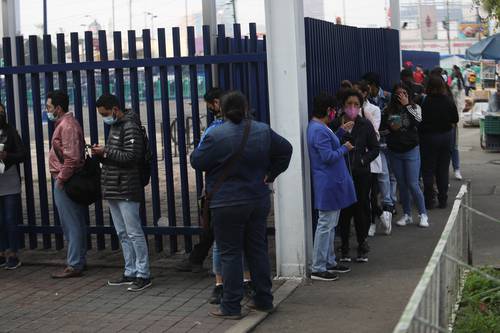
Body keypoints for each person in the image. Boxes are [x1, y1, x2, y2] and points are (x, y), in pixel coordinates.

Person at [191, 91, 292, 319]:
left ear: (222, 110)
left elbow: (197, 161)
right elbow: (286, 150)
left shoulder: (216, 135)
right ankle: (264, 300)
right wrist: (271, 174)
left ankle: (231, 306)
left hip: (226, 202)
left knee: (230, 253)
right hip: (257, 199)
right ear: (246, 108)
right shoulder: (263, 130)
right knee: (257, 251)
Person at [91, 94, 151, 292]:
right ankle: (130, 270)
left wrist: (106, 152)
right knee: (123, 233)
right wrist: (102, 154)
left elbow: (132, 157)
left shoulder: (130, 125)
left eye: (105, 113)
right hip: (113, 186)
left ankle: (143, 273)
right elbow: (117, 155)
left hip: (127, 187)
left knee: (134, 232)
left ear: (115, 109)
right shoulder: (116, 125)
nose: (104, 117)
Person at [176, 88, 225, 274]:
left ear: (216, 103)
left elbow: (198, 157)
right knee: (212, 226)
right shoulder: (247, 125)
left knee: (214, 226)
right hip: (228, 185)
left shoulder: (215, 128)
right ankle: (197, 259)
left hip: (217, 184)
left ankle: (218, 274)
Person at [307, 93, 355, 281]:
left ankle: (328, 261)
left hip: (330, 182)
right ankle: (319, 266)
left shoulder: (318, 127)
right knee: (326, 224)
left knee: (329, 223)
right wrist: (345, 148)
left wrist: (340, 133)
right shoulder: (319, 129)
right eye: (334, 110)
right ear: (328, 110)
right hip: (328, 182)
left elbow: (326, 147)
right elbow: (327, 157)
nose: (335, 113)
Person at [331, 89, 379, 263]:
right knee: (344, 210)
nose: (352, 108)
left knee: (362, 209)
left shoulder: (365, 125)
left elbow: (375, 148)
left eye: (356, 105)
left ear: (360, 107)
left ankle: (361, 243)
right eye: (349, 104)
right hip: (342, 174)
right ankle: (344, 246)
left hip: (361, 174)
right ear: (343, 106)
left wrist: (363, 160)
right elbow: (330, 146)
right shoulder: (336, 124)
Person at [47, 90, 88, 278]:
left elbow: (71, 158)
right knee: (75, 221)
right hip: (67, 178)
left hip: (66, 179)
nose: (47, 111)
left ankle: (74, 263)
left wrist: (61, 180)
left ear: (58, 108)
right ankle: (78, 260)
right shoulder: (65, 124)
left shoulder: (67, 126)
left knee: (71, 223)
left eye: (48, 107)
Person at [380, 84, 429, 228]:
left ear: (409, 95)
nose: (401, 96)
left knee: (413, 183)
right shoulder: (387, 110)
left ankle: (423, 214)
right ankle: (407, 214)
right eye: (398, 94)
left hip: (411, 150)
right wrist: (390, 128)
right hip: (394, 151)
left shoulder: (415, 108)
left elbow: (418, 121)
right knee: (401, 185)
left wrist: (407, 105)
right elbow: (381, 130)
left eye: (404, 93)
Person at [354, 81, 390, 236]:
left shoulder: (374, 110)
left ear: (365, 94)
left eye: (358, 93)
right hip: (357, 158)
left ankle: (375, 220)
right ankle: (379, 216)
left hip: (371, 157)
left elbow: (374, 133)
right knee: (363, 196)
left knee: (372, 194)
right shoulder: (349, 111)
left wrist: (364, 116)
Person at [419, 76, 459, 209]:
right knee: (442, 169)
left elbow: (418, 120)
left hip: (428, 138)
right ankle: (443, 200)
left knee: (428, 170)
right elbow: (455, 119)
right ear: (442, 86)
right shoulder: (448, 100)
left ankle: (429, 201)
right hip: (445, 137)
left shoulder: (424, 101)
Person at [0, 103, 26, 270]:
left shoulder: (11, 132)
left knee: (10, 219)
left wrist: (7, 155)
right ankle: (1, 252)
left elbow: (22, 154)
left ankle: (13, 253)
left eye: (1, 112)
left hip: (9, 180)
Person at [450, 65, 466, 180]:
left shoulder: (454, 82)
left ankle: (456, 169)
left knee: (452, 147)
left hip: (453, 119)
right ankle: (456, 169)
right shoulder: (460, 81)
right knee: (453, 147)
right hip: (455, 117)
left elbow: (457, 100)